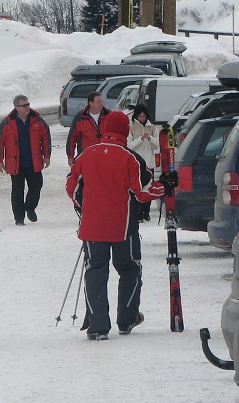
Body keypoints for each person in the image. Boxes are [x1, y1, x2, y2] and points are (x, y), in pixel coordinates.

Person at [66, 111, 165, 341]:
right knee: (129, 268)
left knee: (95, 272)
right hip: (124, 227)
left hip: (92, 227)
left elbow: (71, 187)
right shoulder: (130, 158)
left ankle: (98, 326)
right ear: (125, 131)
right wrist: (164, 187)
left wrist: (83, 208)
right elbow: (142, 193)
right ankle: (127, 318)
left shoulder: (86, 155)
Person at [0, 94, 52, 225]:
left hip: (34, 161)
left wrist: (47, 155)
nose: (27, 107)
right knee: (17, 190)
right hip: (16, 163)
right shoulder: (7, 122)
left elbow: (46, 137)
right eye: (24, 105)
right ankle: (19, 218)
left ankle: (30, 208)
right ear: (16, 107)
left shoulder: (37, 120)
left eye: (28, 104)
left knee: (36, 186)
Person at [127, 104, 159, 222]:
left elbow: (157, 145)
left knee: (148, 188)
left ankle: (146, 211)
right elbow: (129, 145)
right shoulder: (131, 127)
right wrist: (140, 140)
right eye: (140, 116)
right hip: (136, 163)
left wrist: (150, 139)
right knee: (137, 188)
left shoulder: (152, 127)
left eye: (144, 116)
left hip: (149, 163)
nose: (142, 118)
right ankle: (138, 212)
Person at [66, 91, 110, 166]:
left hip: (105, 156)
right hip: (86, 157)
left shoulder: (109, 116)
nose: (101, 104)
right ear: (91, 103)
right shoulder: (80, 117)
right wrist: (70, 156)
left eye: (102, 101)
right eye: (98, 102)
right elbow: (72, 137)